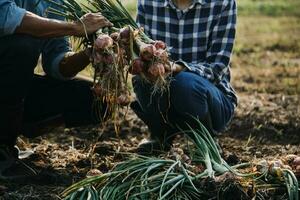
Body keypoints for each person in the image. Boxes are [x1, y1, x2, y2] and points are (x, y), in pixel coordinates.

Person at [0, 0, 112, 177]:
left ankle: (11, 134)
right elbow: (6, 15)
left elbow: (56, 63)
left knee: (94, 98)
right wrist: (75, 27)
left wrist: (87, 55)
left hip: (10, 86)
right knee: (22, 45)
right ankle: (2, 148)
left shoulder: (52, 2)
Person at [132, 0, 237, 153]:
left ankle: (206, 141)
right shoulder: (148, 3)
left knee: (183, 83)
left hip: (212, 100)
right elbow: (139, 50)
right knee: (141, 79)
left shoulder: (222, 3)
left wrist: (175, 67)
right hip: (164, 94)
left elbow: (217, 67)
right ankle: (160, 136)